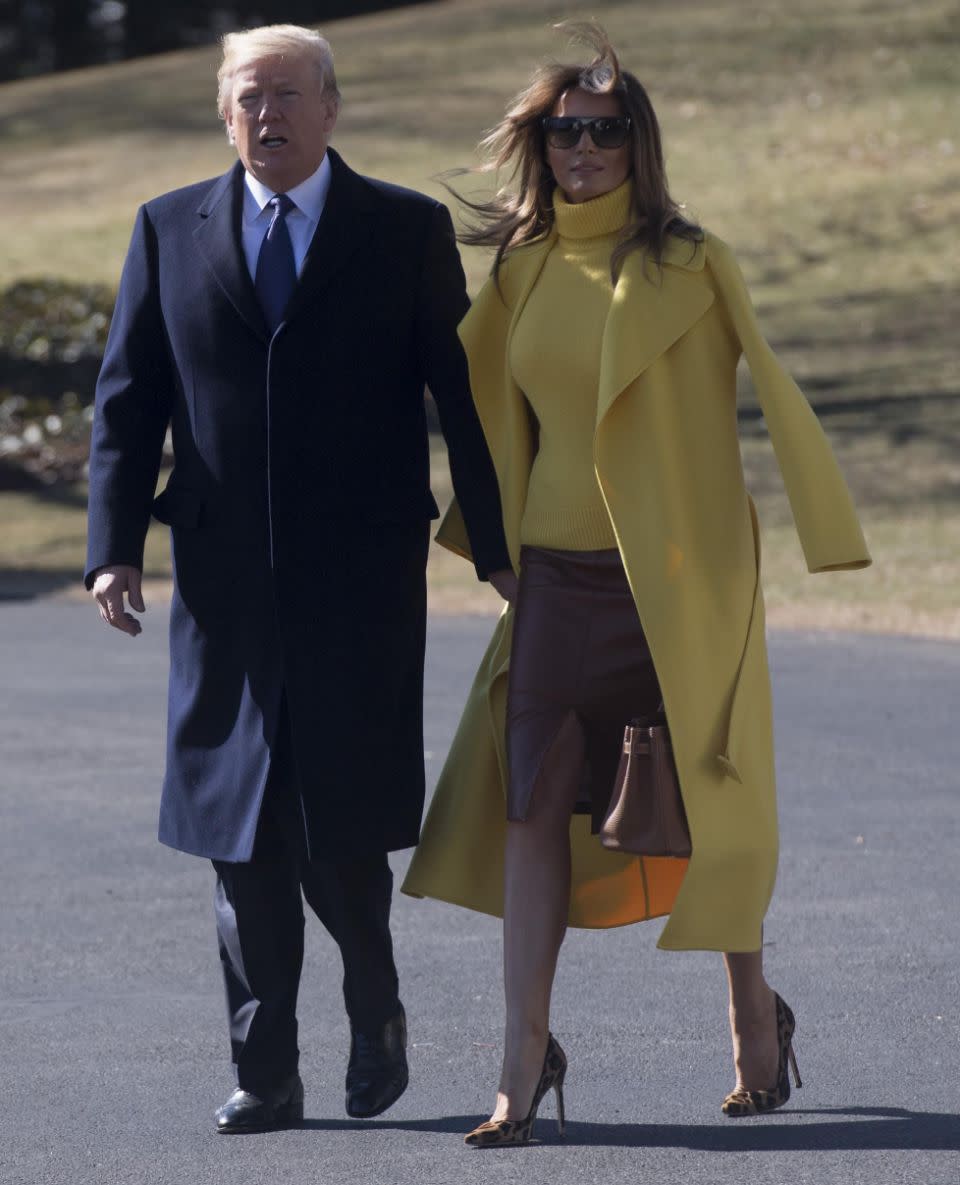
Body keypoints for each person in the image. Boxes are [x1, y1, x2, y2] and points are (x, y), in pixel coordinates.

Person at [402, 22, 871, 1147]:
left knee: (711, 808)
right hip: (555, 588)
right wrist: (491, 548)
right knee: (530, 809)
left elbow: (772, 386)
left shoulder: (694, 264)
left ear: (638, 143)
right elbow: (468, 413)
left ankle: (754, 1018)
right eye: (564, 132)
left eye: (605, 132)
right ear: (541, 145)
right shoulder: (516, 271)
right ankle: (521, 1062)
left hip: (678, 584)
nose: (583, 150)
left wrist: (820, 530)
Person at [85, 23, 513, 1134]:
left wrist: (501, 547)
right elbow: (127, 405)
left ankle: (375, 1009)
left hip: (358, 579)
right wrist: (111, 548)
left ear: (331, 108)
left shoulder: (404, 231)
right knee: (239, 835)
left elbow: (462, 401)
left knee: (338, 830)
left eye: (284, 95)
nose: (264, 114)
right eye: (243, 97)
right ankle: (265, 1072)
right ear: (223, 114)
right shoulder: (166, 227)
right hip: (223, 588)